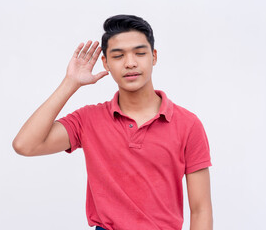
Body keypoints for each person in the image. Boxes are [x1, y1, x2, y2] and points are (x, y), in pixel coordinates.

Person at [12, 14, 213, 230]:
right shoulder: (88, 120)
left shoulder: (188, 124)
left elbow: (201, 209)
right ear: (105, 63)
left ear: (154, 57)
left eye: (140, 53)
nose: (130, 63)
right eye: (118, 56)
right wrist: (70, 83)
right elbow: (25, 145)